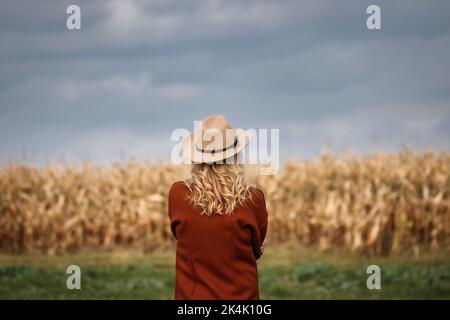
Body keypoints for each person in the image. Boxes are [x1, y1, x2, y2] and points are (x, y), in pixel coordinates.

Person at [168, 114, 268, 300]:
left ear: (197, 157)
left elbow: (180, 234)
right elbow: (257, 249)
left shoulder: (178, 195)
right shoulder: (253, 199)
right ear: (236, 155)